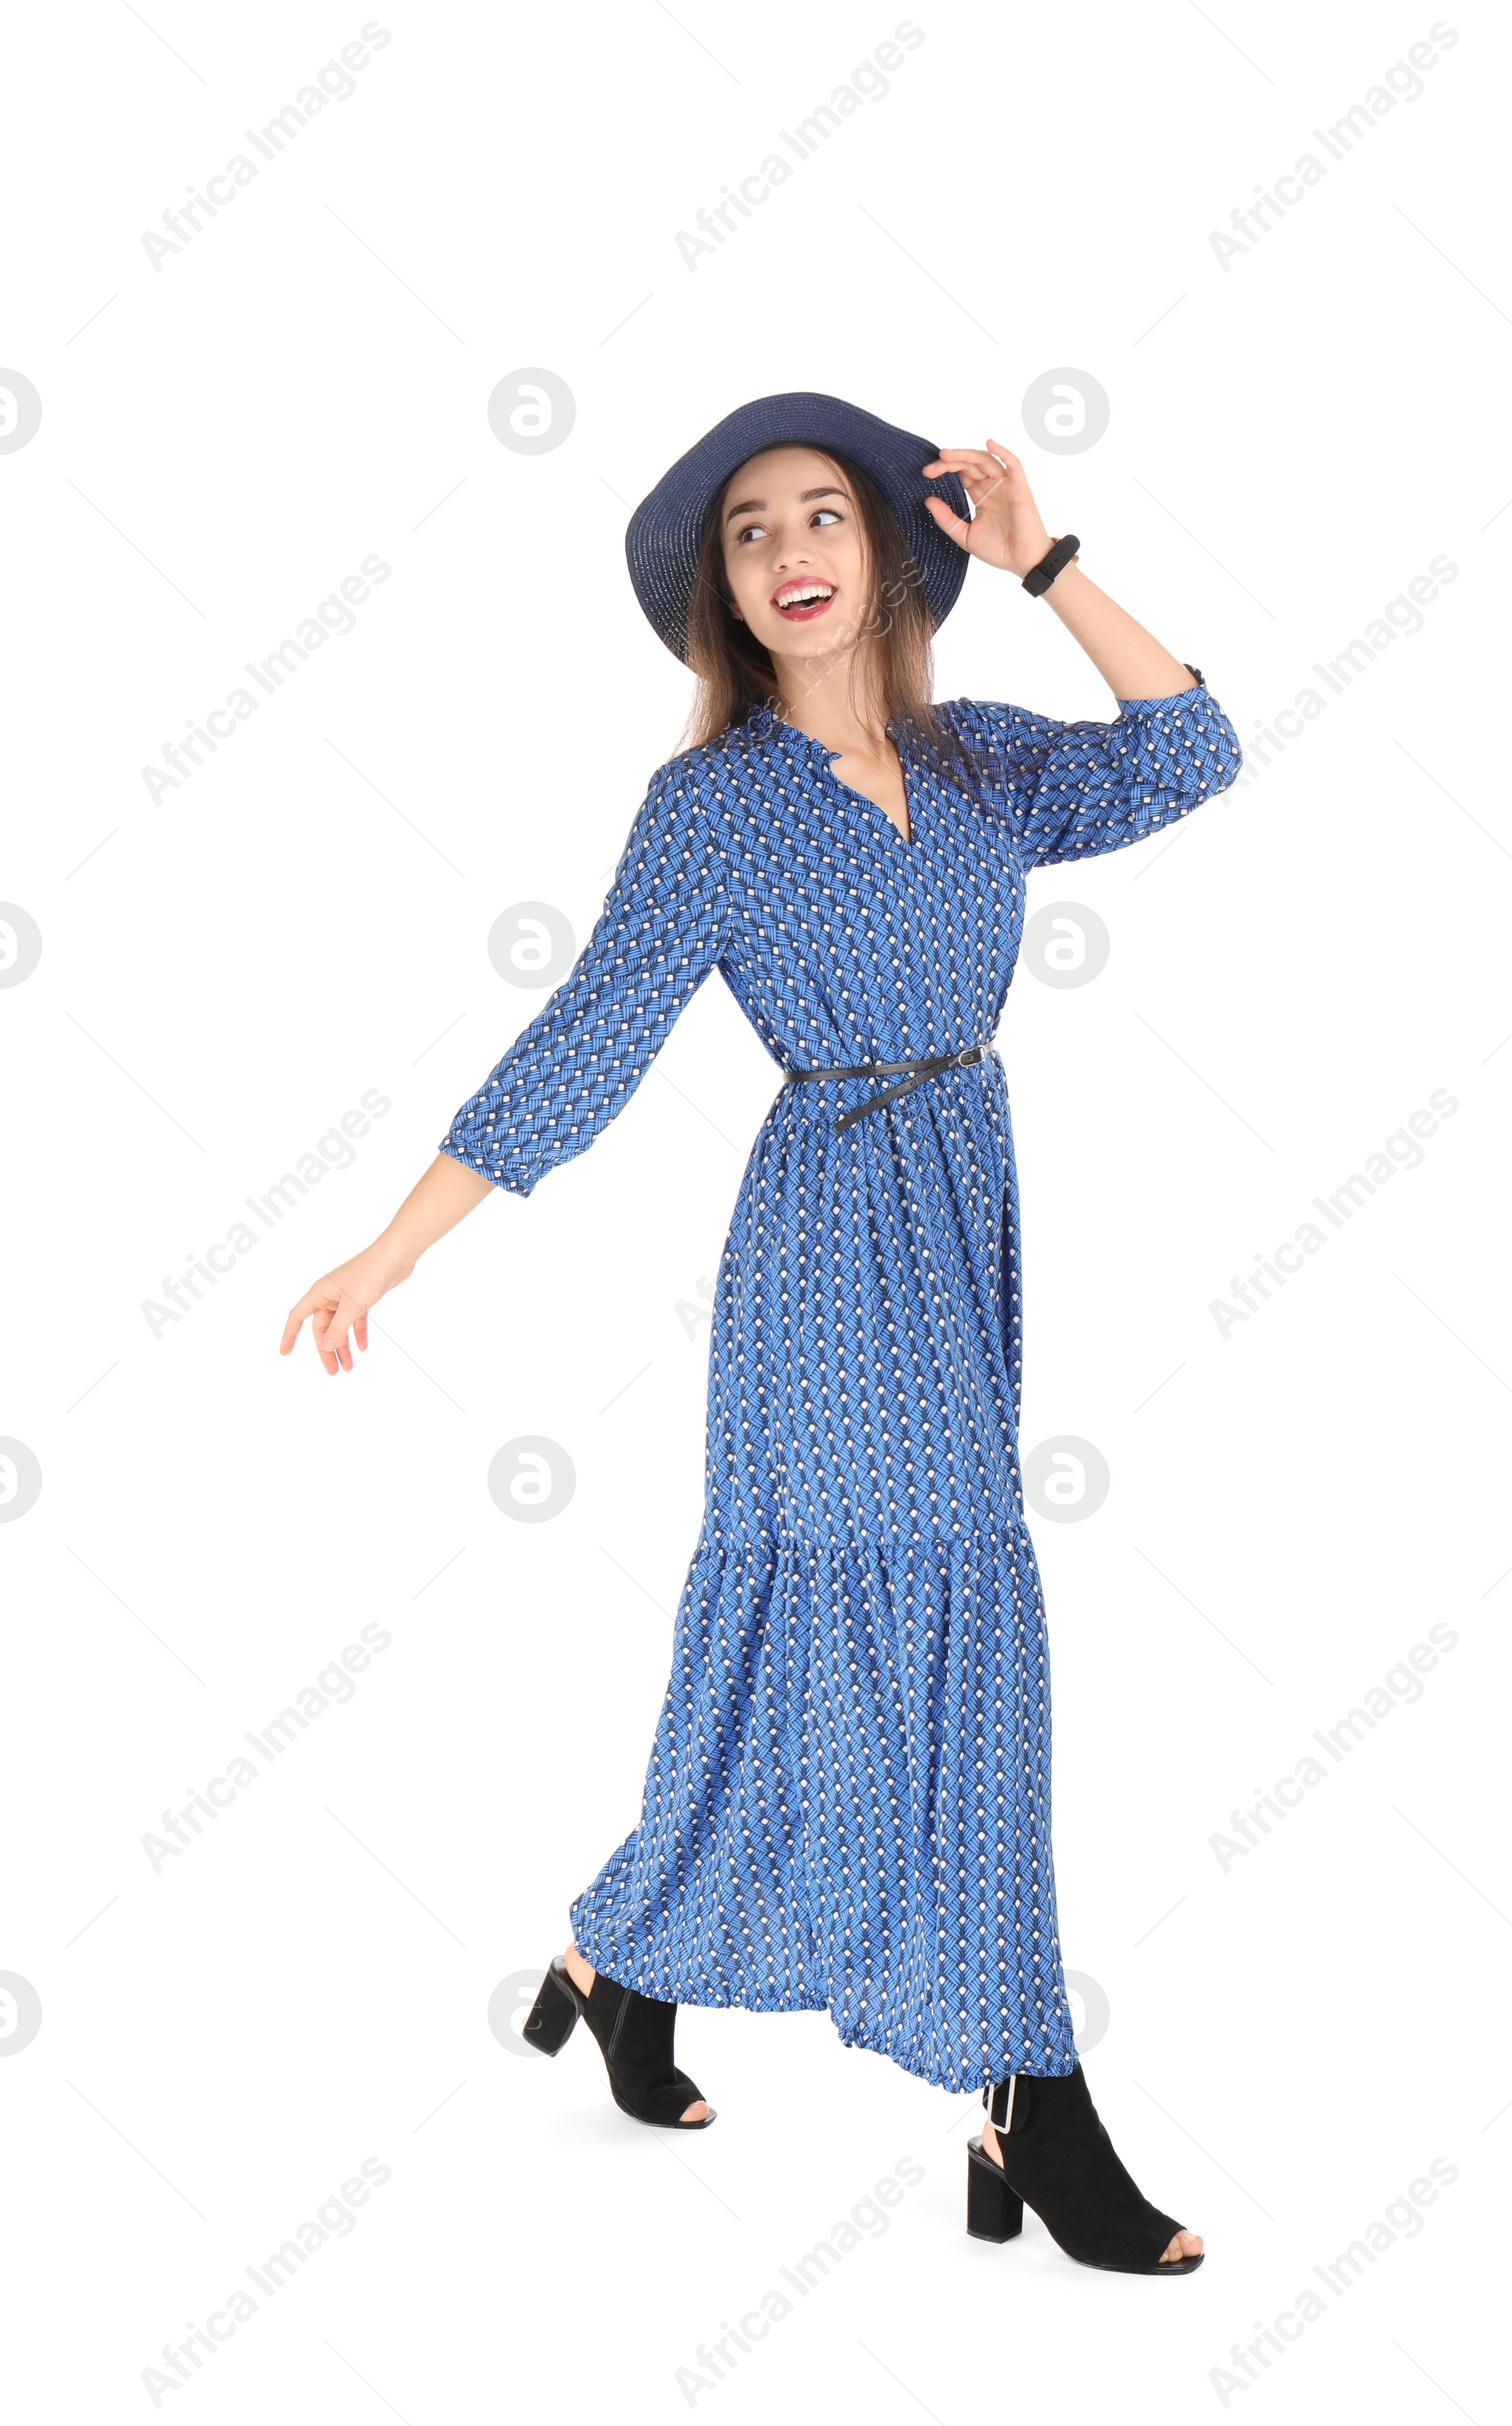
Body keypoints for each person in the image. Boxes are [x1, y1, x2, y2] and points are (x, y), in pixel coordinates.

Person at [282, 393, 1242, 2275]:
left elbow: (1194, 745)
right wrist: (394, 1246)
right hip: (820, 1244)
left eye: (825, 513)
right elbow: (590, 1040)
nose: (792, 549)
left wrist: (1044, 558)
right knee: (957, 1625)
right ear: (724, 590)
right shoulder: (709, 809)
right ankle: (1023, 2090)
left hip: (960, 1205)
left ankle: (621, 1961)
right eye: (748, 532)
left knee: (819, 1643)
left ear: (891, 549)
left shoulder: (980, 767)